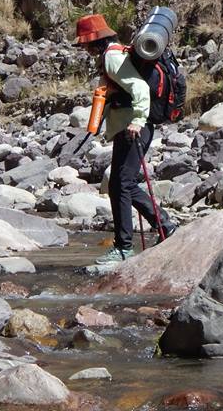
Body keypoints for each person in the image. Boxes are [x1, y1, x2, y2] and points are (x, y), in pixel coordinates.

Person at [73, 13, 176, 264]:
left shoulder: (112, 57)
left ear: (94, 41)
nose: (85, 48)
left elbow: (139, 88)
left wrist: (138, 120)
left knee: (122, 184)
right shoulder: (114, 53)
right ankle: (161, 227)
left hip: (134, 128)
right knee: (120, 184)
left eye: (85, 43)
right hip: (128, 128)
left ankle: (126, 246)